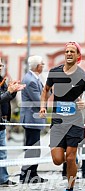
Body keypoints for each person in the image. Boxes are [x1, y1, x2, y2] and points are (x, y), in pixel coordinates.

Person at [40, 41, 85, 191]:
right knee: (57, 160)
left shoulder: (83, 76)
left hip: (75, 121)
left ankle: (69, 189)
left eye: (72, 51)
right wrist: (43, 107)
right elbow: (45, 91)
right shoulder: (54, 72)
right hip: (57, 121)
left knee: (70, 157)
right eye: (67, 51)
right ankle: (73, 163)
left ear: (78, 56)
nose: (69, 54)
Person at [20, 55, 48, 183]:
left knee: (34, 148)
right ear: (38, 66)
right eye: (42, 63)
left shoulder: (34, 78)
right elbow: (39, 101)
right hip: (32, 118)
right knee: (32, 148)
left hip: (33, 119)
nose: (43, 65)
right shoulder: (31, 80)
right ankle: (27, 175)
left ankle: (32, 174)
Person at [0, 58, 25, 186]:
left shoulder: (2, 80)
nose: (0, 67)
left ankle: (3, 179)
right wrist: (9, 92)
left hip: (2, 122)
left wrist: (13, 91)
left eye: (1, 64)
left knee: (3, 153)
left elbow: (6, 98)